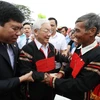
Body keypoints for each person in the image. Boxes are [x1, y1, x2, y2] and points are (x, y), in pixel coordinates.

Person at [44, 13, 100, 100]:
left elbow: (82, 84)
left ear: (92, 31)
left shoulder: (97, 55)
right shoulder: (79, 48)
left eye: (78, 31)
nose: (74, 35)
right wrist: (61, 73)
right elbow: (71, 65)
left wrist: (54, 81)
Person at [18, 19, 68, 100]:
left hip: (50, 89)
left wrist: (69, 61)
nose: (49, 34)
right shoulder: (27, 49)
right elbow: (25, 71)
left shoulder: (51, 47)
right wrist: (46, 76)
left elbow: (61, 58)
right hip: (34, 90)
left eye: (50, 31)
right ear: (36, 32)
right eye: (46, 31)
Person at [0, 1, 34, 100]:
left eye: (20, 29)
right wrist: (21, 79)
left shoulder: (13, 44)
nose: (19, 33)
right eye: (14, 28)